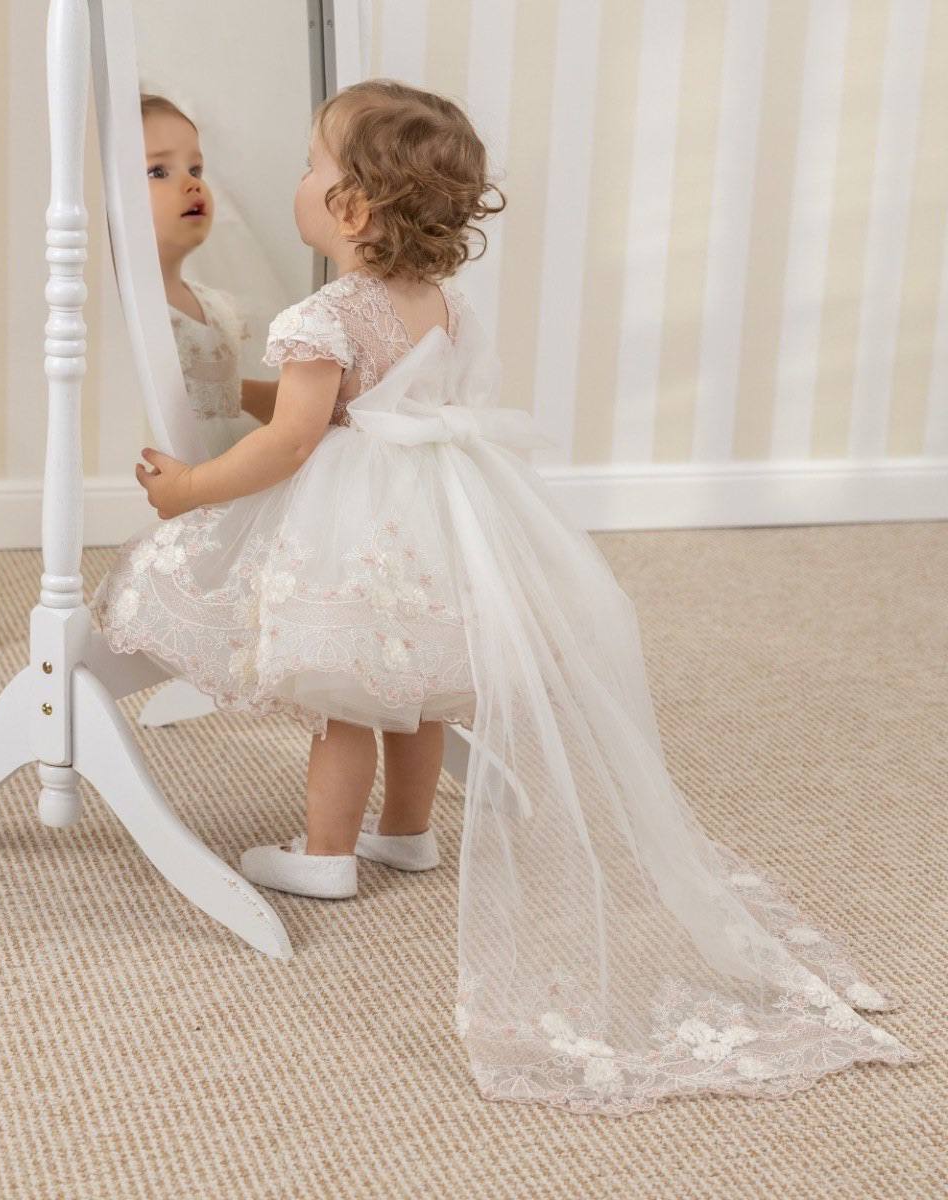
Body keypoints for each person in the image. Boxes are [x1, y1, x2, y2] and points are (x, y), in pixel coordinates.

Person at [92, 79, 921, 1113]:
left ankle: (326, 855)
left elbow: (293, 438)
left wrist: (187, 488)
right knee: (426, 684)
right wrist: (238, 386)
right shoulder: (438, 302)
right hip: (447, 515)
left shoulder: (322, 312)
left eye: (312, 168)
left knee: (348, 688)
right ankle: (409, 830)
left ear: (349, 208)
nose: (296, 183)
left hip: (361, 522)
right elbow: (356, 395)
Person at [140, 94, 278, 455]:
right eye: (158, 171)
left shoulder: (218, 307)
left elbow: (230, 398)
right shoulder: (130, 311)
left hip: (223, 485)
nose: (192, 185)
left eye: (195, 170)